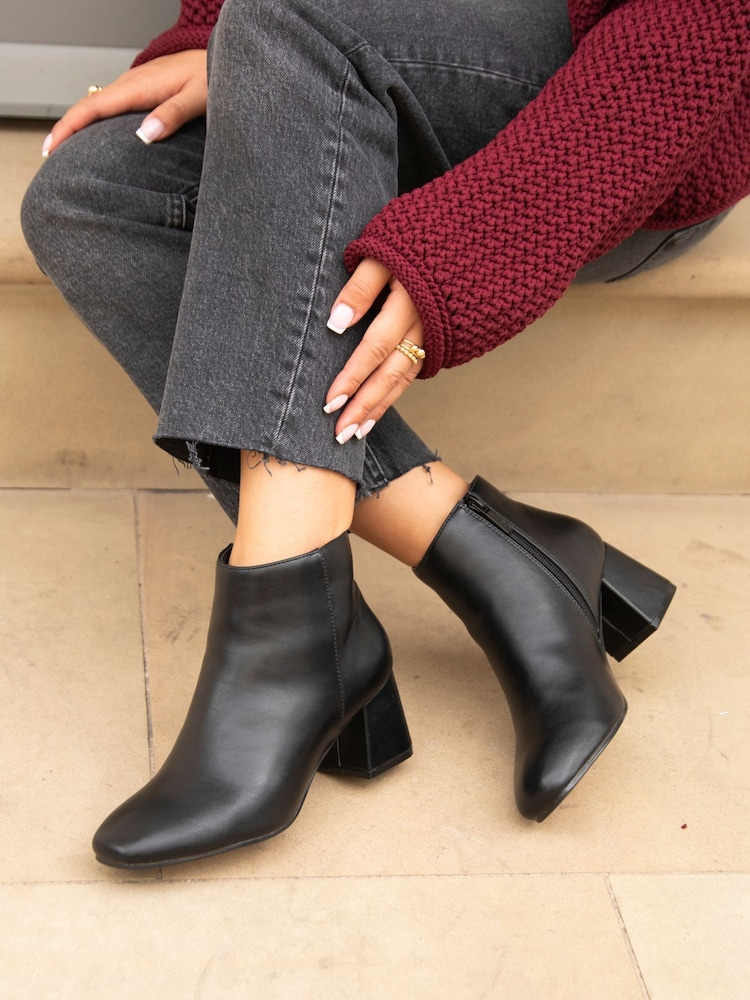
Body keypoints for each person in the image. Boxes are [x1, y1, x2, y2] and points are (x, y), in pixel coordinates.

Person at [21, 0, 749, 870]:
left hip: (636, 120)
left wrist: (490, 234)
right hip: (360, 54)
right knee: (94, 195)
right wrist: (229, 46)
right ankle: (495, 555)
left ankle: (294, 643)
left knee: (296, 18)